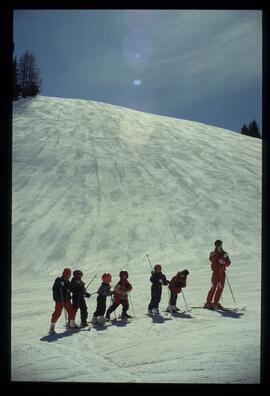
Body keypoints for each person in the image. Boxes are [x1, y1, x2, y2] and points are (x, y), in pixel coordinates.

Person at [49, 268, 78, 334]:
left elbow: (72, 289)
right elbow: (55, 289)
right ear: (66, 274)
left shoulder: (67, 281)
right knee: (57, 313)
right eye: (69, 274)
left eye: (70, 274)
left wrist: (78, 288)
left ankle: (71, 324)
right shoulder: (58, 280)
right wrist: (60, 284)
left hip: (66, 300)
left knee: (72, 311)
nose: (69, 276)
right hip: (60, 300)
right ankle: (52, 327)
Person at [204, 240, 231, 309]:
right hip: (215, 273)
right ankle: (208, 303)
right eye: (218, 245)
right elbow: (211, 259)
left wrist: (224, 262)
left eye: (220, 244)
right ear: (215, 245)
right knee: (213, 288)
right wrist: (217, 253)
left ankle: (215, 303)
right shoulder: (212, 253)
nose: (219, 246)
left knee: (220, 288)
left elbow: (229, 263)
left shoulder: (225, 253)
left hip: (222, 273)